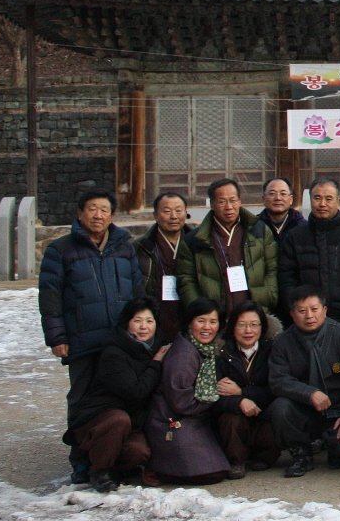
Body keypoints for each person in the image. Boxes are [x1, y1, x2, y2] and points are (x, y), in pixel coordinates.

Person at [39, 187, 144, 483]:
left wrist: (141, 329)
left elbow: (137, 291)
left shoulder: (124, 247)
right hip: (83, 340)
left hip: (120, 341)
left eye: (104, 210)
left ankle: (114, 456)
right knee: (82, 401)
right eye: (92, 209)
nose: (98, 215)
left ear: (112, 215)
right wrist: (57, 337)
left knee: (121, 397)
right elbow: (50, 297)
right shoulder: (61, 250)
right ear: (80, 213)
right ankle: (81, 461)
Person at [65, 296, 170, 492]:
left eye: (149, 321)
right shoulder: (114, 352)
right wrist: (156, 363)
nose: (144, 327)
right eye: (137, 321)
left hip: (130, 422)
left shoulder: (156, 347)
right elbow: (136, 392)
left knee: (138, 452)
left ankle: (115, 468)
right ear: (127, 323)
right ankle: (99, 470)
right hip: (99, 416)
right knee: (118, 420)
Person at [267, 285, 340, 476]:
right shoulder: (283, 342)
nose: (309, 316)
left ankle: (336, 452)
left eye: (314, 309)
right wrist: (309, 393)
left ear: (325, 310)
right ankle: (301, 454)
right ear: (292, 314)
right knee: (280, 408)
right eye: (302, 311)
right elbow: (278, 380)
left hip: (338, 407)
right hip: (304, 407)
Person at [143, 298, 231, 485]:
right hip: (171, 420)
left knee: (219, 470)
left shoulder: (205, 349)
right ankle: (159, 470)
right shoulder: (183, 354)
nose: (207, 327)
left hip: (192, 418)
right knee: (212, 474)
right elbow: (181, 403)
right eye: (201, 321)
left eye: (213, 322)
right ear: (190, 322)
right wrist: (215, 394)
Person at [177, 178, 279, 314]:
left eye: (233, 200)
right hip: (213, 317)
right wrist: (201, 311)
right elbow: (186, 280)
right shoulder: (195, 239)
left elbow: (272, 269)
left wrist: (268, 297)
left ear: (240, 201)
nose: (229, 207)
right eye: (222, 202)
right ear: (212, 204)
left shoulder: (259, 230)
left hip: (254, 313)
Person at [214, 300, 282, 479]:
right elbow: (216, 394)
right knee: (230, 419)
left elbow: (276, 388)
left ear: (262, 326)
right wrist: (240, 401)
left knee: (280, 412)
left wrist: (243, 393)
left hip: (263, 413)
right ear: (232, 327)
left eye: (254, 325)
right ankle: (236, 461)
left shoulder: (273, 351)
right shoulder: (222, 353)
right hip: (237, 415)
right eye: (242, 325)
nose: (248, 331)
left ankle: (265, 457)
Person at [277, 177, 340, 322]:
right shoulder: (295, 236)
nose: (322, 204)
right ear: (310, 200)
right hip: (307, 317)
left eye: (329, 199)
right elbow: (286, 278)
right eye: (317, 198)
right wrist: (297, 308)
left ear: (338, 202)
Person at [133, 191, 196, 343]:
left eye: (178, 211)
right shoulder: (140, 247)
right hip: (156, 318)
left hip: (190, 317)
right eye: (167, 211)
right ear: (155, 215)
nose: (174, 216)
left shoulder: (197, 243)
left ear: (186, 213)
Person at [256, 177, 305, 246]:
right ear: (263, 199)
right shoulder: (253, 226)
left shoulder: (303, 227)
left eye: (283, 194)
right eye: (272, 193)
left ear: (291, 199)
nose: (278, 198)